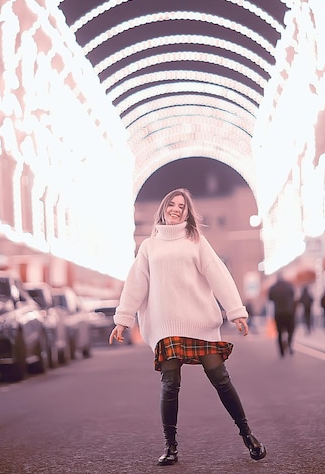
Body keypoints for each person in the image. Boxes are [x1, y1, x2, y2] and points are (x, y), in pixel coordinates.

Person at [109, 188, 266, 466]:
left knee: (221, 379)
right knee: (170, 384)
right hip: (166, 327)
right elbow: (136, 285)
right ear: (163, 207)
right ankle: (170, 447)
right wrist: (123, 319)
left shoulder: (196, 241)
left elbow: (218, 274)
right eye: (172, 203)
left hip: (199, 322)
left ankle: (248, 435)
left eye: (182, 206)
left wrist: (236, 311)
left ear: (187, 212)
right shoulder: (149, 247)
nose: (177, 209)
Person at [268, 273, 296, 357]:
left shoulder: (273, 288)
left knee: (279, 332)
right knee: (290, 330)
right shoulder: (289, 286)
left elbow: (270, 298)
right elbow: (293, 295)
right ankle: (289, 343)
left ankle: (281, 352)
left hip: (278, 312)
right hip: (289, 312)